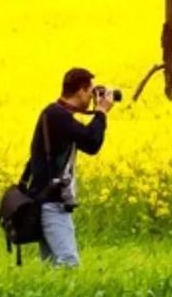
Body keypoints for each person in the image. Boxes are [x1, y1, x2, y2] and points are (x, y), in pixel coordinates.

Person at [21, 67, 112, 267]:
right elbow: (92, 142)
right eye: (90, 92)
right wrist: (101, 112)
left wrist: (97, 112)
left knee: (52, 266)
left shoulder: (56, 114)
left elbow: (87, 141)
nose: (91, 97)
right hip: (52, 203)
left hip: (45, 199)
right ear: (80, 90)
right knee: (69, 263)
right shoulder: (58, 116)